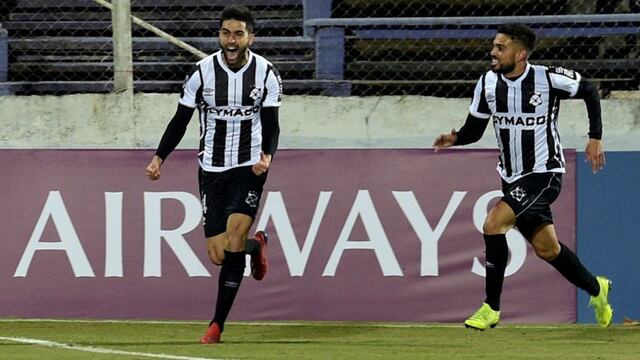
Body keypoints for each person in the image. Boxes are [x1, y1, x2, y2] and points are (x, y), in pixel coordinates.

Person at [433, 23, 613, 330]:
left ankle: (491, 308)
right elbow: (475, 130)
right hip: (512, 177)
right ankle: (597, 289)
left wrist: (595, 136)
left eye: (501, 47)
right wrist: (456, 138)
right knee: (548, 249)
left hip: (544, 173)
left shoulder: (547, 77)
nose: (493, 52)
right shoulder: (488, 83)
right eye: (494, 45)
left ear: (520, 53)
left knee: (493, 225)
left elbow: (588, 89)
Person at [145, 5, 282, 343]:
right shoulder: (201, 73)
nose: (231, 40)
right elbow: (181, 119)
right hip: (211, 169)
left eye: (238, 33)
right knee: (220, 255)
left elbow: (272, 124)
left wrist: (267, 156)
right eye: (225, 33)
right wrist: (159, 157)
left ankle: (216, 325)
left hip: (249, 166)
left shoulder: (266, 74)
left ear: (250, 37)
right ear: (219, 35)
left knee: (233, 236)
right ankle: (256, 246)